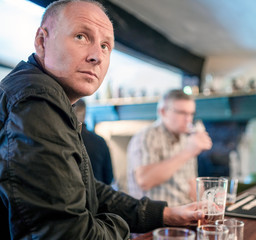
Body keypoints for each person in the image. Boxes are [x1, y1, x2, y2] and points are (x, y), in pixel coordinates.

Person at [0, 1, 203, 239]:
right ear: (42, 41)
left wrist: (166, 214)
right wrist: (125, 229)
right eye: (81, 36)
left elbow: (89, 190)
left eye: (106, 46)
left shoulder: (47, 97)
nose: (97, 55)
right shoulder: (38, 100)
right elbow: (69, 234)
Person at [127, 89, 213, 206]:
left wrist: (208, 202)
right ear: (163, 111)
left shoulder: (186, 138)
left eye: (191, 113)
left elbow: (191, 183)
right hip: (158, 218)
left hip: (185, 213)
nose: (188, 119)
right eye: (182, 113)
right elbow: (144, 180)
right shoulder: (147, 136)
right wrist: (188, 151)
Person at [74, 99, 114, 185]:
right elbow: (109, 178)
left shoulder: (64, 140)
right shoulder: (100, 142)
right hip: (97, 196)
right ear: (85, 115)